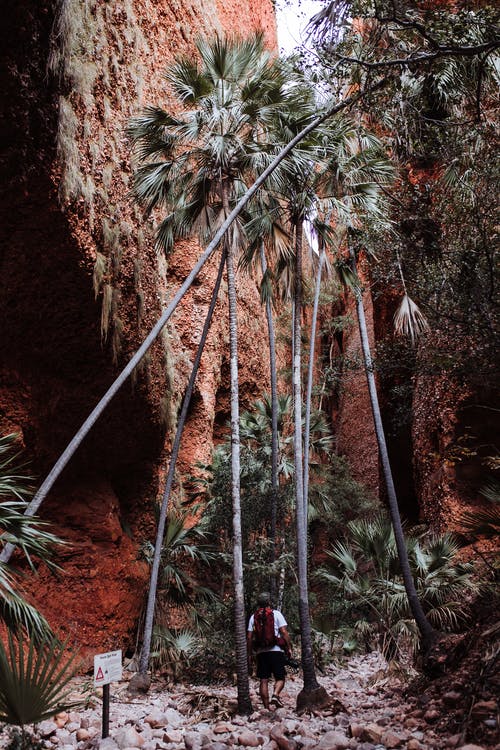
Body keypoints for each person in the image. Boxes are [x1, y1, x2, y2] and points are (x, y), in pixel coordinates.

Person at [247, 591, 292, 710]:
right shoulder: (276, 614)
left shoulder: (253, 617)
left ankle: (266, 708)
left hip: (261, 653)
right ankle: (276, 695)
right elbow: (283, 632)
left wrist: (250, 653)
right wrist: (289, 647)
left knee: (263, 679)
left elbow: (249, 637)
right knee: (280, 677)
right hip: (276, 651)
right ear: (269, 602)